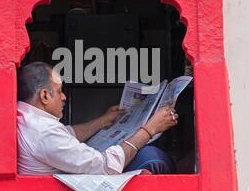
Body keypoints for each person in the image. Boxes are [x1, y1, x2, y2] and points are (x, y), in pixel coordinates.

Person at [17, 62, 178, 176]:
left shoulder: (27, 117)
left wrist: (104, 120)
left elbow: (66, 134)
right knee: (153, 157)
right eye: (59, 91)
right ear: (45, 96)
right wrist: (150, 129)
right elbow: (105, 166)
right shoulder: (44, 133)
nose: (64, 97)